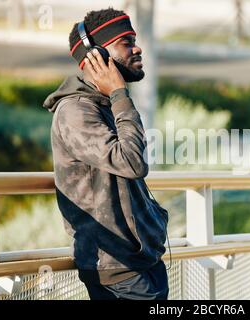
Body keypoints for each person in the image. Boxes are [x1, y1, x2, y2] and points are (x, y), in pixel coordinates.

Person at [42, 7, 169, 300]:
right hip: (117, 272)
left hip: (141, 263)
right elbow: (132, 162)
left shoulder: (104, 104)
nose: (137, 48)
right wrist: (120, 95)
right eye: (126, 41)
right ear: (96, 55)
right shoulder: (75, 111)